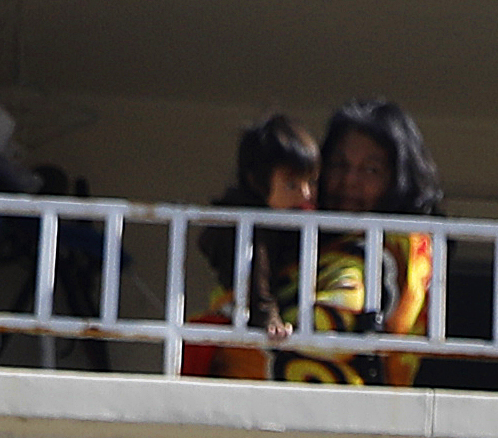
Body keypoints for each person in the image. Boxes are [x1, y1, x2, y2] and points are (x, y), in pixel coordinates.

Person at [280, 96, 439, 385]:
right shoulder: (296, 243)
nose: (350, 180)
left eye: (370, 170)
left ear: (397, 179)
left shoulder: (400, 245)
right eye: (339, 165)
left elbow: (340, 319)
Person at [178, 111, 314, 383]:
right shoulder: (249, 224)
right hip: (244, 313)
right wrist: (269, 319)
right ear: (256, 182)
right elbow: (256, 275)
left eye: (310, 182)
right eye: (292, 184)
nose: (305, 193)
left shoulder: (287, 212)